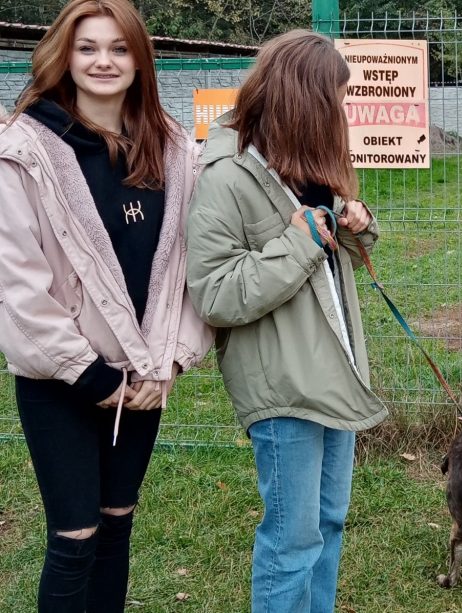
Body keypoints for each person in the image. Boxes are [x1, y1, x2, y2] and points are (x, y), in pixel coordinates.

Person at [0, 0, 213, 610]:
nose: (103, 61)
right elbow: (17, 286)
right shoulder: (25, 149)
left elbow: (186, 272)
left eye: (119, 48)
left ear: (140, 60)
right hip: (62, 381)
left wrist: (170, 361)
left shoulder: (173, 150)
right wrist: (90, 375)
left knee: (117, 522)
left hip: (142, 382)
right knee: (75, 538)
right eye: (88, 47)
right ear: (64, 55)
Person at [185, 30, 389, 613]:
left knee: (330, 521)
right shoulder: (227, 178)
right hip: (282, 385)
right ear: (304, 101)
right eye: (336, 98)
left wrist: (358, 222)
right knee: (292, 540)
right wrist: (299, 243)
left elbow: (340, 255)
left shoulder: (310, 165)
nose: (343, 111)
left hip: (336, 372)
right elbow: (215, 293)